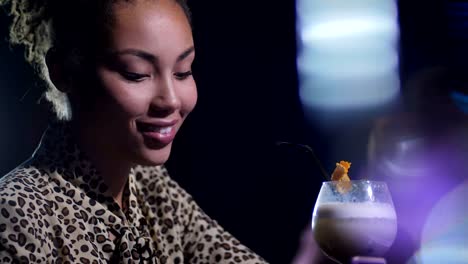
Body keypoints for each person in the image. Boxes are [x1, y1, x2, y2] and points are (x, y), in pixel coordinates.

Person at [0, 0, 268, 263]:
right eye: (136, 73)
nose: (172, 100)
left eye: (183, 72)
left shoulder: (151, 187)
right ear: (64, 72)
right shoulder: (16, 212)